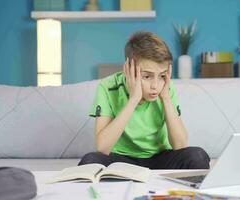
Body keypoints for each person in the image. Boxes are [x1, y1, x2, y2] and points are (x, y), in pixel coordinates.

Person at [78, 32, 210, 169]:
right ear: (128, 69)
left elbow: (180, 145)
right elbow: (102, 147)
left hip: (159, 158)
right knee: (90, 160)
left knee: (197, 156)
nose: (155, 85)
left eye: (162, 76)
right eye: (147, 76)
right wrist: (133, 99)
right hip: (121, 160)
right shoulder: (107, 88)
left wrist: (165, 98)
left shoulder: (165, 88)